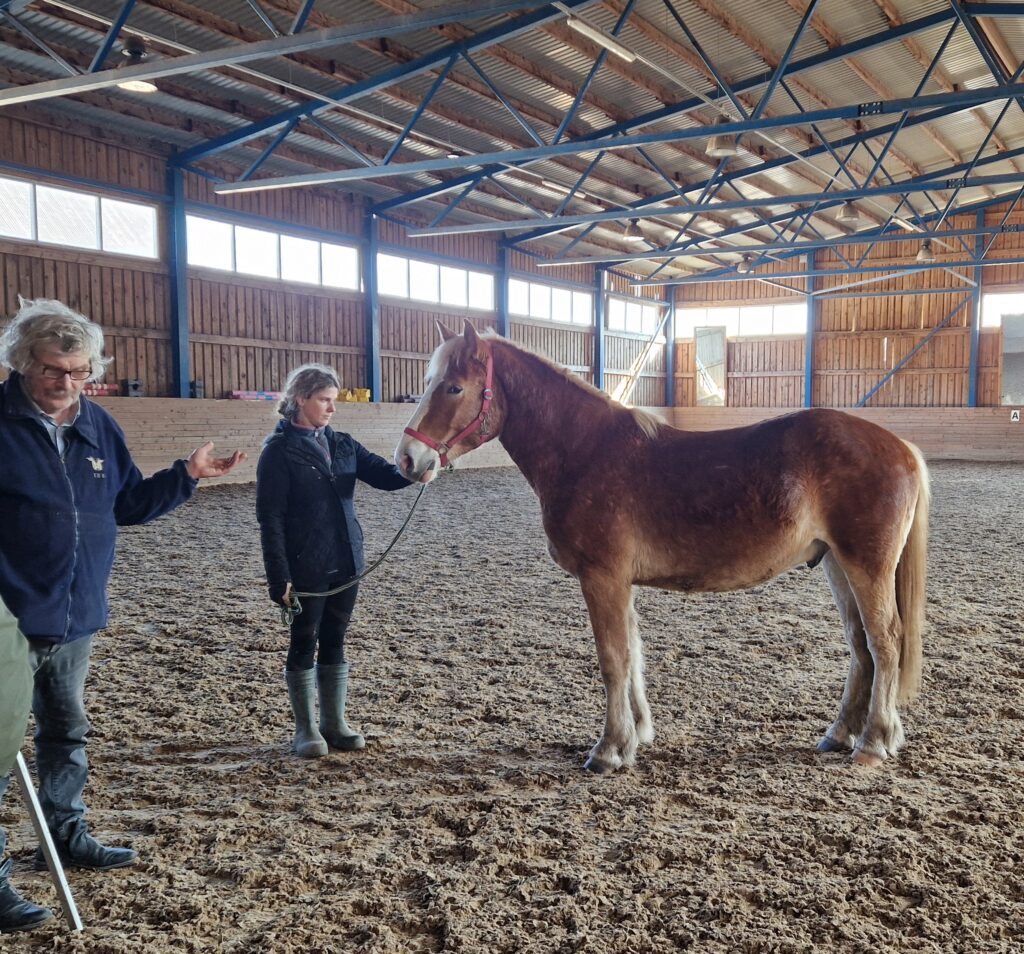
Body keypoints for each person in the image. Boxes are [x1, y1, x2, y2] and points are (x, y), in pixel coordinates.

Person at [0, 297, 245, 934]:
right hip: (9, 620)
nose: (66, 383)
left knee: (66, 732)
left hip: (76, 614)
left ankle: (64, 837)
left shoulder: (98, 425)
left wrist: (186, 476)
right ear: (23, 362)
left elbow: (128, 504)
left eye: (80, 372)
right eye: (53, 370)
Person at [256, 363, 411, 759]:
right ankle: (305, 729)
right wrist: (278, 576)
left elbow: (386, 476)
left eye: (334, 400)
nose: (332, 408)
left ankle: (334, 722)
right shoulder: (277, 452)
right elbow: (270, 518)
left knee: (336, 638)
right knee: (304, 639)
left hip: (346, 560)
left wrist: (416, 471)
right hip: (305, 563)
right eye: (324, 400)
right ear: (300, 399)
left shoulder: (344, 444)